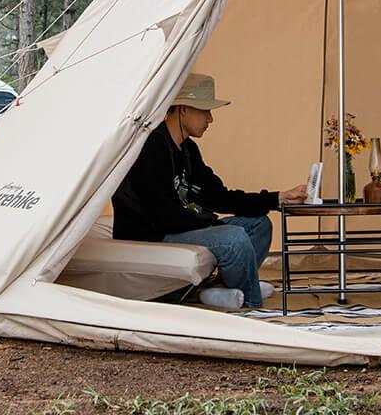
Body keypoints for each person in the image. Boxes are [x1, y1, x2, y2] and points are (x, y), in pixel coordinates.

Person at [112, 73, 307, 310]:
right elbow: (163, 215)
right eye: (205, 111)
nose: (211, 119)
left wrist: (276, 198)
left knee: (259, 224)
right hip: (154, 233)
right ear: (183, 109)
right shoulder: (151, 147)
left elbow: (219, 196)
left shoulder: (188, 150)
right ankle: (251, 300)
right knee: (233, 237)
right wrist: (214, 225)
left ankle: (222, 289)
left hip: (183, 225)